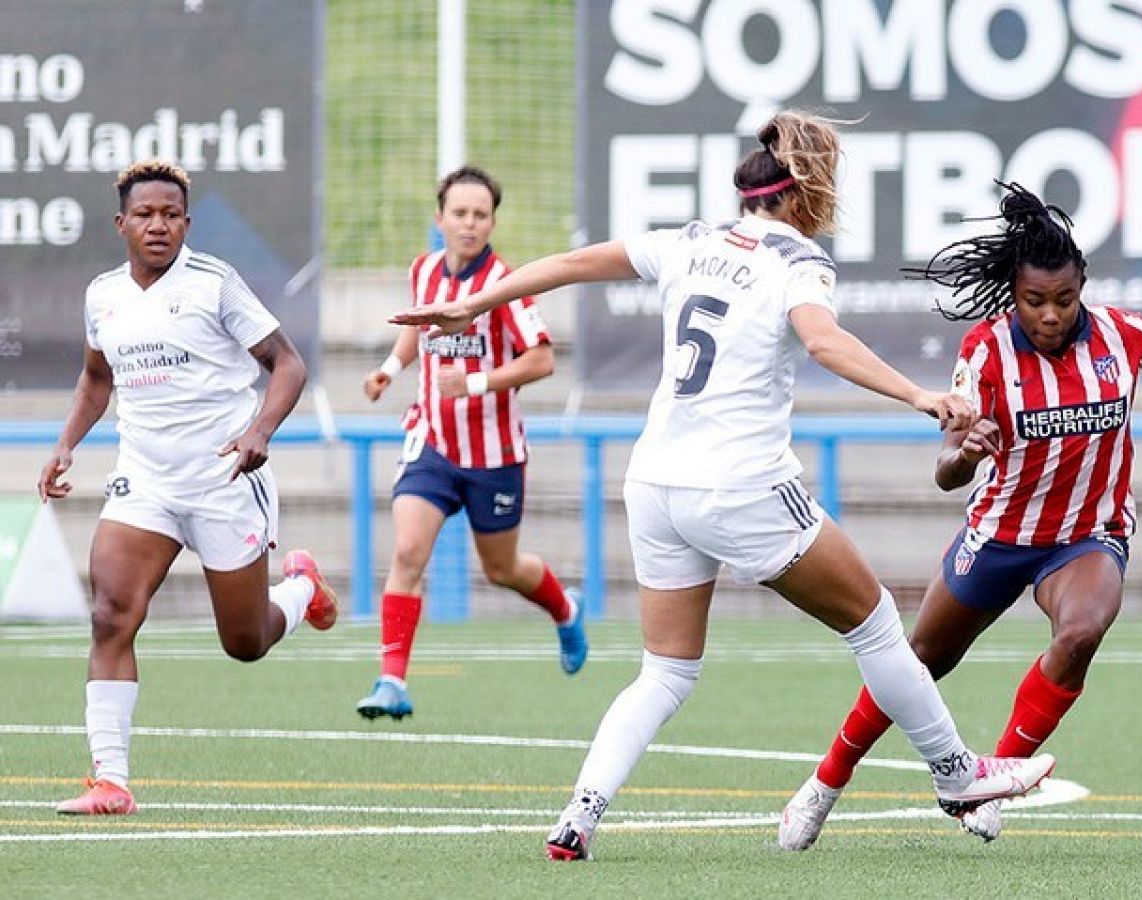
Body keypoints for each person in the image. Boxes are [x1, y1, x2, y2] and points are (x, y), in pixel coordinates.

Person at [393, 112, 1057, 861]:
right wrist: (921, 396)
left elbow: (577, 262)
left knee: (667, 671)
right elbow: (825, 339)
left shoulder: (693, 242)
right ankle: (956, 772)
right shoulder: (799, 262)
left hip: (655, 484)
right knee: (873, 625)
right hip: (740, 486)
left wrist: (475, 302)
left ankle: (581, 812)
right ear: (800, 192)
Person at [774, 181, 1142, 849]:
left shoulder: (1124, 336)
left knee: (1083, 629)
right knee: (918, 663)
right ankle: (824, 784)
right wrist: (966, 455)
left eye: (1064, 299)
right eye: (1035, 301)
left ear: (1083, 285)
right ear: (1014, 293)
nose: (1051, 314)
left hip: (1089, 536)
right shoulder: (986, 351)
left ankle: (991, 781)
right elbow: (947, 472)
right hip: (1002, 534)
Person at [37, 160, 338, 816]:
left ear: (186, 223)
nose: (157, 226)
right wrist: (65, 444)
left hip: (224, 478)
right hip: (144, 480)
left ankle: (301, 588)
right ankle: (111, 782)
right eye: (144, 215)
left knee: (246, 641)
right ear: (121, 224)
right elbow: (96, 379)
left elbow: (287, 364)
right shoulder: (103, 296)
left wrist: (260, 430)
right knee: (111, 613)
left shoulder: (215, 284)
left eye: (170, 215)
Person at [356, 166, 586, 720]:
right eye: (459, 213)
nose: (469, 223)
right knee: (409, 551)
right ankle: (391, 681)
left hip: (494, 453)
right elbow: (417, 326)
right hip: (431, 440)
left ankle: (565, 610)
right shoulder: (425, 270)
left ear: (492, 222)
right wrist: (390, 367)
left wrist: (477, 382)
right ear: (440, 219)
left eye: (480, 214)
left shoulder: (505, 284)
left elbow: (542, 358)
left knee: (502, 570)